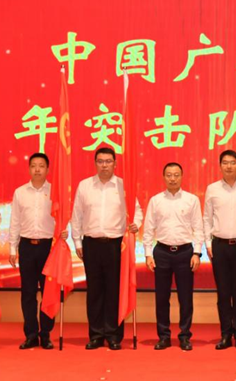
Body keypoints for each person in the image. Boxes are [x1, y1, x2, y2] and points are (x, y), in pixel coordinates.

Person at [71, 147, 142, 351]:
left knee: (114, 291)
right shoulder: (85, 186)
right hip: (91, 244)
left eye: (108, 161)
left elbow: (137, 211)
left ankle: (113, 335)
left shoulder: (123, 186)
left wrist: (136, 224)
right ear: (95, 163)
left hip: (116, 245)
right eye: (100, 161)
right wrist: (77, 243)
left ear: (115, 164)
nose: (104, 165)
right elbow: (77, 215)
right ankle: (95, 335)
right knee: (94, 291)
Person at [9, 153, 67, 350]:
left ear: (48, 169)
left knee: (48, 292)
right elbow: (15, 221)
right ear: (29, 169)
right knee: (28, 292)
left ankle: (46, 334)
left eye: (41, 166)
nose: (37, 169)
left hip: (48, 247)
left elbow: (62, 217)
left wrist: (65, 232)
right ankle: (31, 334)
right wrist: (12, 247)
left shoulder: (55, 192)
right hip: (26, 246)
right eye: (33, 165)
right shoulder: (20, 192)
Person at [143, 162, 203, 351]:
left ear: (182, 176)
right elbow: (148, 228)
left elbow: (198, 228)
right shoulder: (156, 200)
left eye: (176, 175)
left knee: (185, 297)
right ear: (164, 177)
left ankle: (185, 336)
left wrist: (197, 253)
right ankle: (164, 336)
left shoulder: (192, 200)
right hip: (161, 252)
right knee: (162, 297)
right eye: (169, 175)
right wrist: (147, 254)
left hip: (185, 252)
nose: (172, 178)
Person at [203, 150, 236, 351]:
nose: (229, 166)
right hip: (220, 247)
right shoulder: (212, 189)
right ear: (220, 166)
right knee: (223, 292)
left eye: (232, 162)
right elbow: (206, 218)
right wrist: (208, 244)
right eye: (225, 163)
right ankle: (225, 334)